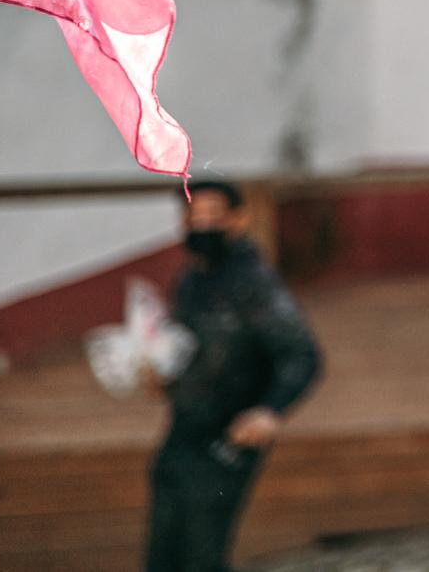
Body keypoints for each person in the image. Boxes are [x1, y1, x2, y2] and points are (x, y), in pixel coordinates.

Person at [146, 180, 322, 572]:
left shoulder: (253, 282)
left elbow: (302, 354)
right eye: (194, 216)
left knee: (202, 554)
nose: (202, 225)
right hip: (183, 428)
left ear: (237, 220)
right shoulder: (191, 280)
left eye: (213, 215)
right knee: (162, 550)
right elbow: (186, 350)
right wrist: (159, 375)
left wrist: (269, 410)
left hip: (228, 437)